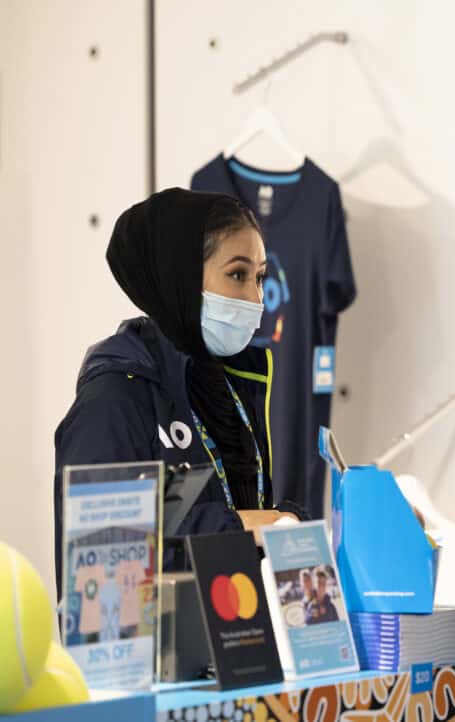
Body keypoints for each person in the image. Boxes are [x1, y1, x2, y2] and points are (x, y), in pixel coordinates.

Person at [54, 189, 307, 595]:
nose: (256, 298)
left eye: (260, 278)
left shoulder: (232, 385)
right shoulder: (114, 398)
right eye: (238, 275)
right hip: (150, 652)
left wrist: (289, 522)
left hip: (238, 638)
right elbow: (104, 551)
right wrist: (242, 527)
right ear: (182, 276)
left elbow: (244, 512)